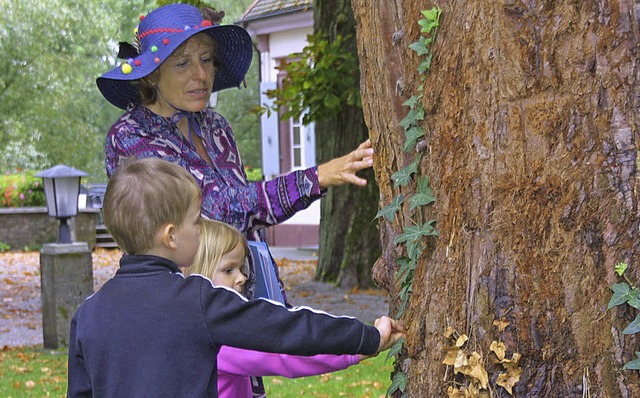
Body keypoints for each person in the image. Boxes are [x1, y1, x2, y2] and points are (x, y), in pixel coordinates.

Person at [97, 3, 375, 303]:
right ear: (151, 75)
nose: (201, 75)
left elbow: (247, 219)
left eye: (206, 60)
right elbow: (218, 209)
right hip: (187, 307)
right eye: (183, 64)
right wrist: (318, 177)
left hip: (246, 289)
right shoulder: (129, 137)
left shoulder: (216, 126)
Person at [67, 157, 403, 398]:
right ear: (171, 236)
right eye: (196, 221)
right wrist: (365, 337)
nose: (200, 230)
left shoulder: (88, 313)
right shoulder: (199, 300)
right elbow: (283, 327)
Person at [186, 218, 381, 397]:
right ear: (200, 271)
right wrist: (357, 348)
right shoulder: (222, 336)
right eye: (229, 270)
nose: (242, 278)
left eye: (241, 268)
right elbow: (285, 353)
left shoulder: (188, 321)